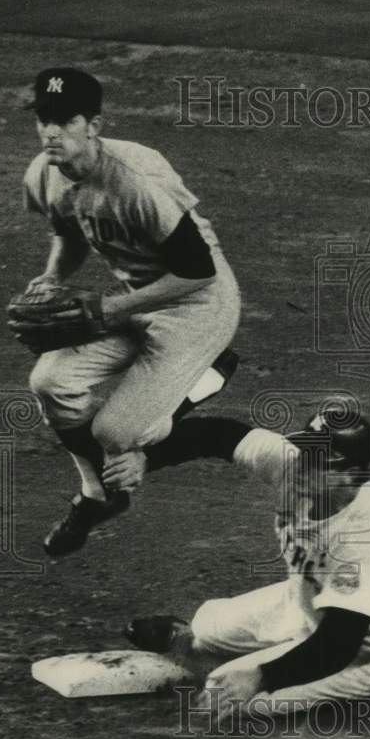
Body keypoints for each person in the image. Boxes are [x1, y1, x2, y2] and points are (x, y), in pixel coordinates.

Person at [21, 67, 241, 557]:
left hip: (199, 306)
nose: (50, 131)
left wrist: (108, 307)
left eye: (64, 120)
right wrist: (54, 276)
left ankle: (210, 374)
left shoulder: (135, 182)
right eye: (42, 118)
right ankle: (97, 495)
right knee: (50, 383)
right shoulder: (44, 172)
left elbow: (198, 271)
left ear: (93, 125)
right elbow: (69, 233)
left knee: (117, 433)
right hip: (135, 299)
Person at [108, 404, 370, 717]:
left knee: (234, 697)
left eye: (319, 461)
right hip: (307, 604)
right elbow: (217, 434)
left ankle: (356, 689)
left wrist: (261, 677)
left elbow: (339, 643)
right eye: (305, 453)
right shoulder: (294, 468)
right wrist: (146, 459)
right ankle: (214, 648)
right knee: (205, 627)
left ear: (351, 475)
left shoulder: (367, 535)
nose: (303, 466)